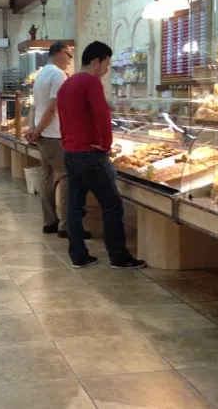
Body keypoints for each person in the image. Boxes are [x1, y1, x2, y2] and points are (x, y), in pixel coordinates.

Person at [57, 41, 146, 270]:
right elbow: (102, 115)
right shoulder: (91, 82)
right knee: (112, 205)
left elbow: (63, 119)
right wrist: (106, 145)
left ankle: (78, 256)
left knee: (74, 207)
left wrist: (67, 143)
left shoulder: (67, 84)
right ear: (96, 62)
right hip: (91, 154)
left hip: (71, 152)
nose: (106, 70)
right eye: (106, 64)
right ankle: (119, 257)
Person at [26, 41, 91, 240]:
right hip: (53, 134)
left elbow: (35, 107)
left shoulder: (41, 74)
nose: (70, 61)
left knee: (46, 175)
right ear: (62, 53)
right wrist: (37, 130)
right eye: (69, 56)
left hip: (43, 134)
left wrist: (33, 129)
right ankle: (67, 226)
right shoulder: (58, 75)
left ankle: (50, 222)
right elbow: (53, 108)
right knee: (67, 176)